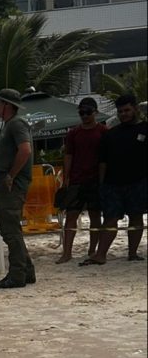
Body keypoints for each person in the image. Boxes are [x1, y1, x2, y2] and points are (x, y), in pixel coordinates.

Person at [82, 94, 147, 265]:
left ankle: (132, 253)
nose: (123, 114)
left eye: (127, 110)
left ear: (135, 109)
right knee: (110, 219)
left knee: (136, 217)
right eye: (120, 111)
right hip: (112, 184)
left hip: (138, 182)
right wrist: (102, 184)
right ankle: (100, 254)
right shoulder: (110, 134)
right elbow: (102, 161)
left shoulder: (145, 129)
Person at [0, 88, 36, 289]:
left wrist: (11, 175)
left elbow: (25, 150)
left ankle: (16, 275)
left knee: (10, 231)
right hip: (7, 182)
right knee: (11, 229)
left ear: (6, 105)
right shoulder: (10, 124)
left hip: (11, 183)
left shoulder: (16, 123)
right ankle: (27, 271)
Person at [56, 97, 107, 264]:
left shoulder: (103, 131)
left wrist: (102, 181)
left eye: (87, 112)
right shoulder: (73, 133)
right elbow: (68, 156)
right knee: (71, 216)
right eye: (81, 113)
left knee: (95, 216)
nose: (84, 115)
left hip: (95, 179)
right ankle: (67, 252)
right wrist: (66, 178)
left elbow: (105, 159)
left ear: (95, 112)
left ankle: (93, 249)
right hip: (77, 179)